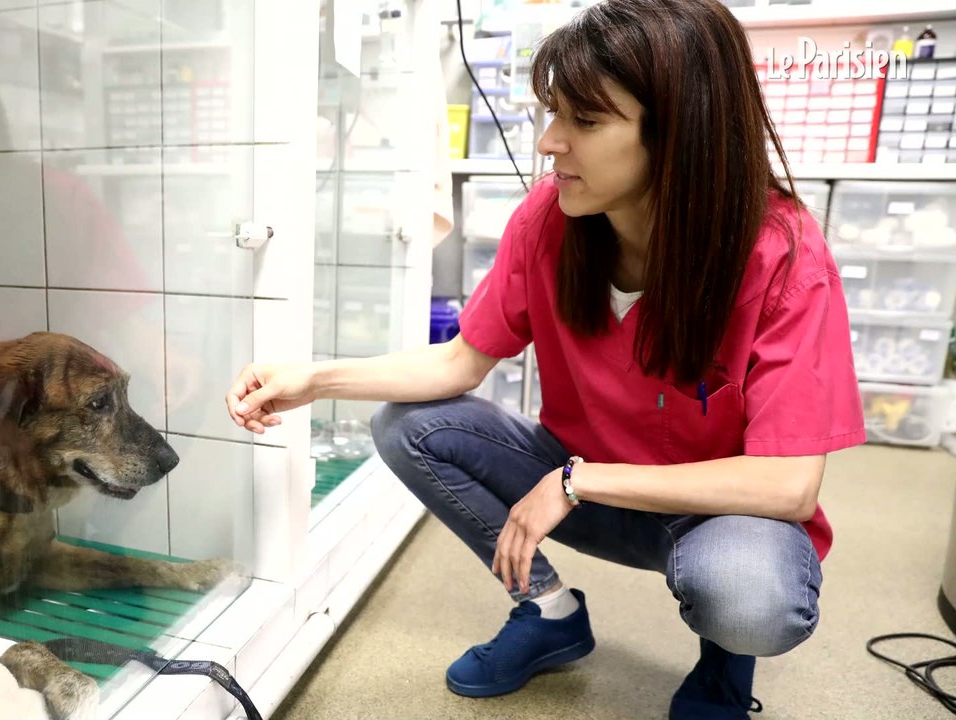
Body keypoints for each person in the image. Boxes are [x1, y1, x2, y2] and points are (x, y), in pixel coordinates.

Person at [225, 0, 866, 717]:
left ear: (681, 130)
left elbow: (787, 486)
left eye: (584, 121)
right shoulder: (550, 219)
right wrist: (314, 379)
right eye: (552, 112)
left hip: (711, 515)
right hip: (585, 489)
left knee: (751, 600)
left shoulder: (781, 254)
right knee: (408, 425)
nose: (549, 142)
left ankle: (724, 661)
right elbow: (458, 364)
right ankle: (550, 613)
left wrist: (575, 481)